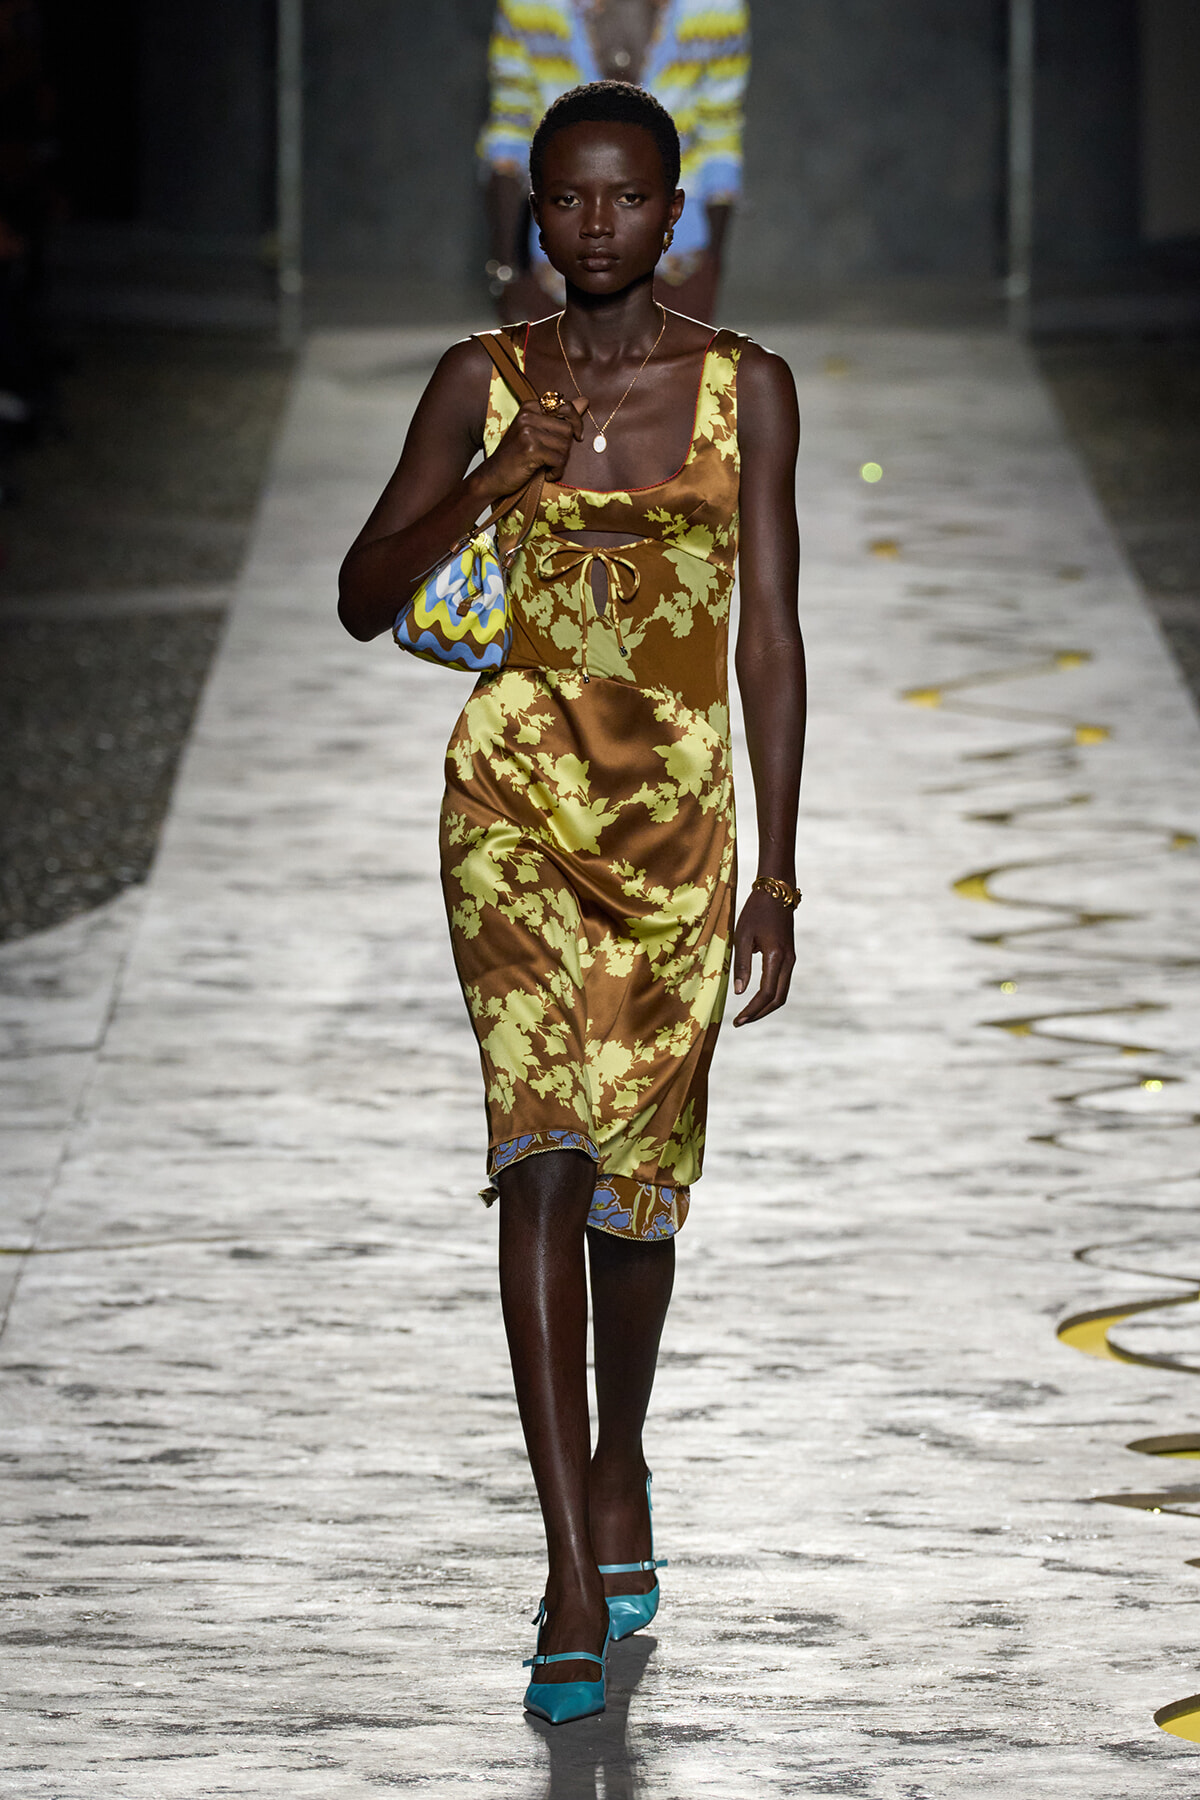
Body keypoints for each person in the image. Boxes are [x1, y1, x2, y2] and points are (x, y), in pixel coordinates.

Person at [338, 81, 803, 1724]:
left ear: (674, 214)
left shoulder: (752, 391)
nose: (593, 227)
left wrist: (781, 870)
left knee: (636, 1191)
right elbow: (361, 595)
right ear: (531, 216)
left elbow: (766, 633)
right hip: (514, 791)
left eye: (624, 201)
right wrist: (494, 481)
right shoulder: (483, 381)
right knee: (541, 1150)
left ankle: (622, 1459)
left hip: (677, 820)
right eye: (565, 202)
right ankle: (567, 1565)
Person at [479, 0, 750, 326]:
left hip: (678, 263)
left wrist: (710, 270)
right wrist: (507, 274)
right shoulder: (530, 6)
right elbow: (509, 136)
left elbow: (720, 142)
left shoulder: (715, 9)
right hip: (560, 269)